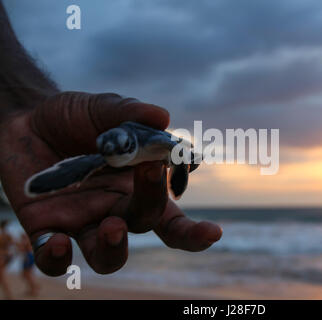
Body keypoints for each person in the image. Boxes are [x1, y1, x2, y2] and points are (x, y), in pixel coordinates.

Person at [0, 1, 222, 277]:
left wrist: (183, 163)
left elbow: (175, 147)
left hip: (154, 143)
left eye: (118, 149)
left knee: (176, 152)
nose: (110, 154)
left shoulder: (149, 142)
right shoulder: (108, 150)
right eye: (106, 150)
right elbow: (92, 160)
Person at [0, 220, 13, 299]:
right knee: (1, 276)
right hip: (7, 255)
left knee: (2, 276)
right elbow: (13, 244)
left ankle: (9, 295)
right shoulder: (8, 235)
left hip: (1, 256)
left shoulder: (1, 236)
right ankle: (8, 294)